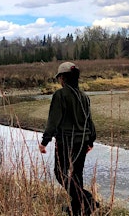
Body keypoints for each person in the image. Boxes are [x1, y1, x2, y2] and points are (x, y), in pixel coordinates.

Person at [38, 62, 98, 215]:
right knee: (77, 173)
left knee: (60, 173)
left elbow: (53, 121)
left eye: (59, 77)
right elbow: (89, 120)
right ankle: (78, 208)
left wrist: (45, 141)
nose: (59, 80)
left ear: (63, 77)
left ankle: (88, 200)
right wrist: (91, 140)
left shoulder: (60, 95)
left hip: (65, 141)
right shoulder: (84, 96)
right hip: (83, 141)